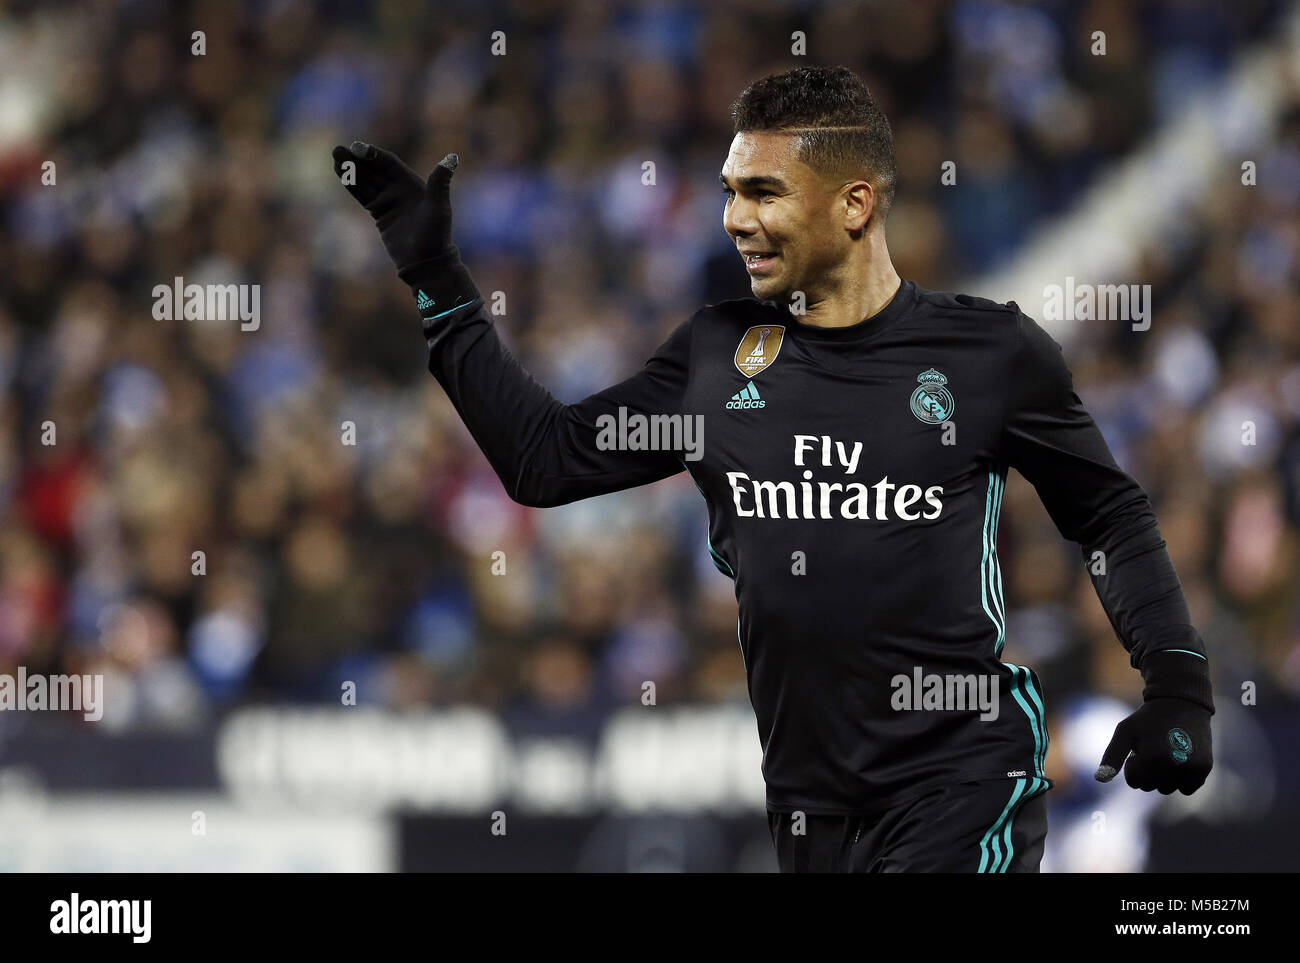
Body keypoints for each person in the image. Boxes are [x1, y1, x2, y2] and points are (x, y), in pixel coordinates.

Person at [331, 64, 1213, 873]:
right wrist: (435, 276)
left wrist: (1176, 683)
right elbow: (544, 460)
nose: (734, 218)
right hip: (808, 807)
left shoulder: (987, 353)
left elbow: (1109, 514)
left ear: (855, 203)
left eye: (762, 191)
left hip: (963, 776)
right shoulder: (718, 360)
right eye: (728, 191)